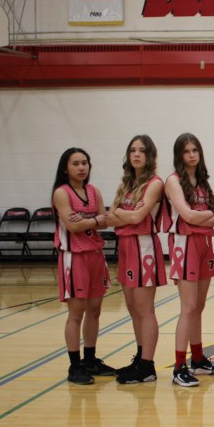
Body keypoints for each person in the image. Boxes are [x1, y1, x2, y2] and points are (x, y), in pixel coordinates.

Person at [164, 133, 214, 387]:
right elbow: (188, 216)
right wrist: (208, 215)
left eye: (195, 150)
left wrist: (206, 215)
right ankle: (179, 367)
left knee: (198, 307)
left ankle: (198, 359)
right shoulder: (173, 181)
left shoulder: (201, 181)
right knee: (188, 308)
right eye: (186, 151)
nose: (191, 155)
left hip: (204, 245)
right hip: (184, 244)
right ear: (179, 155)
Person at [52, 148, 116, 385]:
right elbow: (73, 226)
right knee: (76, 313)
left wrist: (90, 221)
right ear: (65, 168)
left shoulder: (93, 190)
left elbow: (106, 220)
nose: (81, 167)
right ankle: (74, 365)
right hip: (74, 256)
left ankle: (90, 359)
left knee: (95, 310)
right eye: (76, 163)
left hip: (95, 254)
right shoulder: (61, 193)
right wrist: (94, 220)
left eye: (85, 163)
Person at [108, 135, 166, 384]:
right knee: (132, 309)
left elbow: (136, 217)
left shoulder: (155, 183)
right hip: (125, 247)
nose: (136, 154)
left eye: (142, 150)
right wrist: (121, 214)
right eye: (132, 150)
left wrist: (120, 213)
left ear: (149, 155)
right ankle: (140, 357)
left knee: (145, 309)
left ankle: (148, 365)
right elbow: (110, 218)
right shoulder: (127, 184)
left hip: (144, 246)